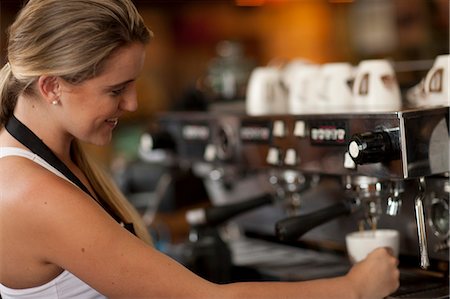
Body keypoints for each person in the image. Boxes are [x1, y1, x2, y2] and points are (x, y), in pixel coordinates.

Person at [0, 0, 400, 298]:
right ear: (52, 87)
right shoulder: (34, 194)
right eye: (116, 90)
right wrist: (355, 287)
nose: (134, 103)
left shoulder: (48, 155)